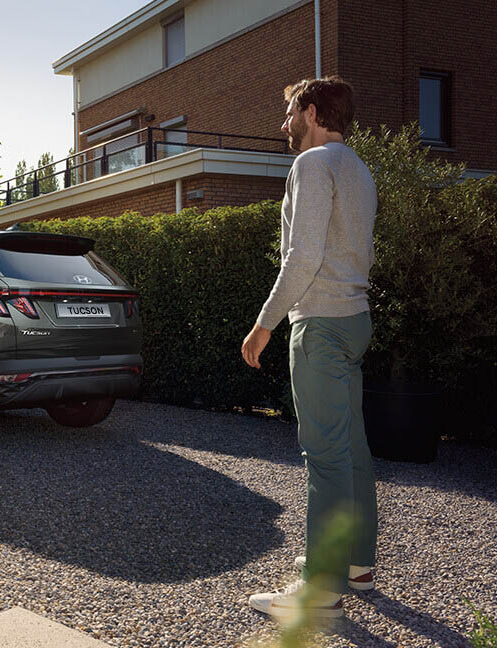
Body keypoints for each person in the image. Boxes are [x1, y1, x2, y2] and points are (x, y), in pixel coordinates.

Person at [242, 77, 378, 619]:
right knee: (353, 448)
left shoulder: (312, 165)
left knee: (324, 457)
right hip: (355, 321)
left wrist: (264, 323)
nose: (284, 126)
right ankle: (357, 564)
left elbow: (301, 257)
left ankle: (320, 592)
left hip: (320, 324)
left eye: (290, 114)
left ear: (313, 112)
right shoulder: (359, 170)